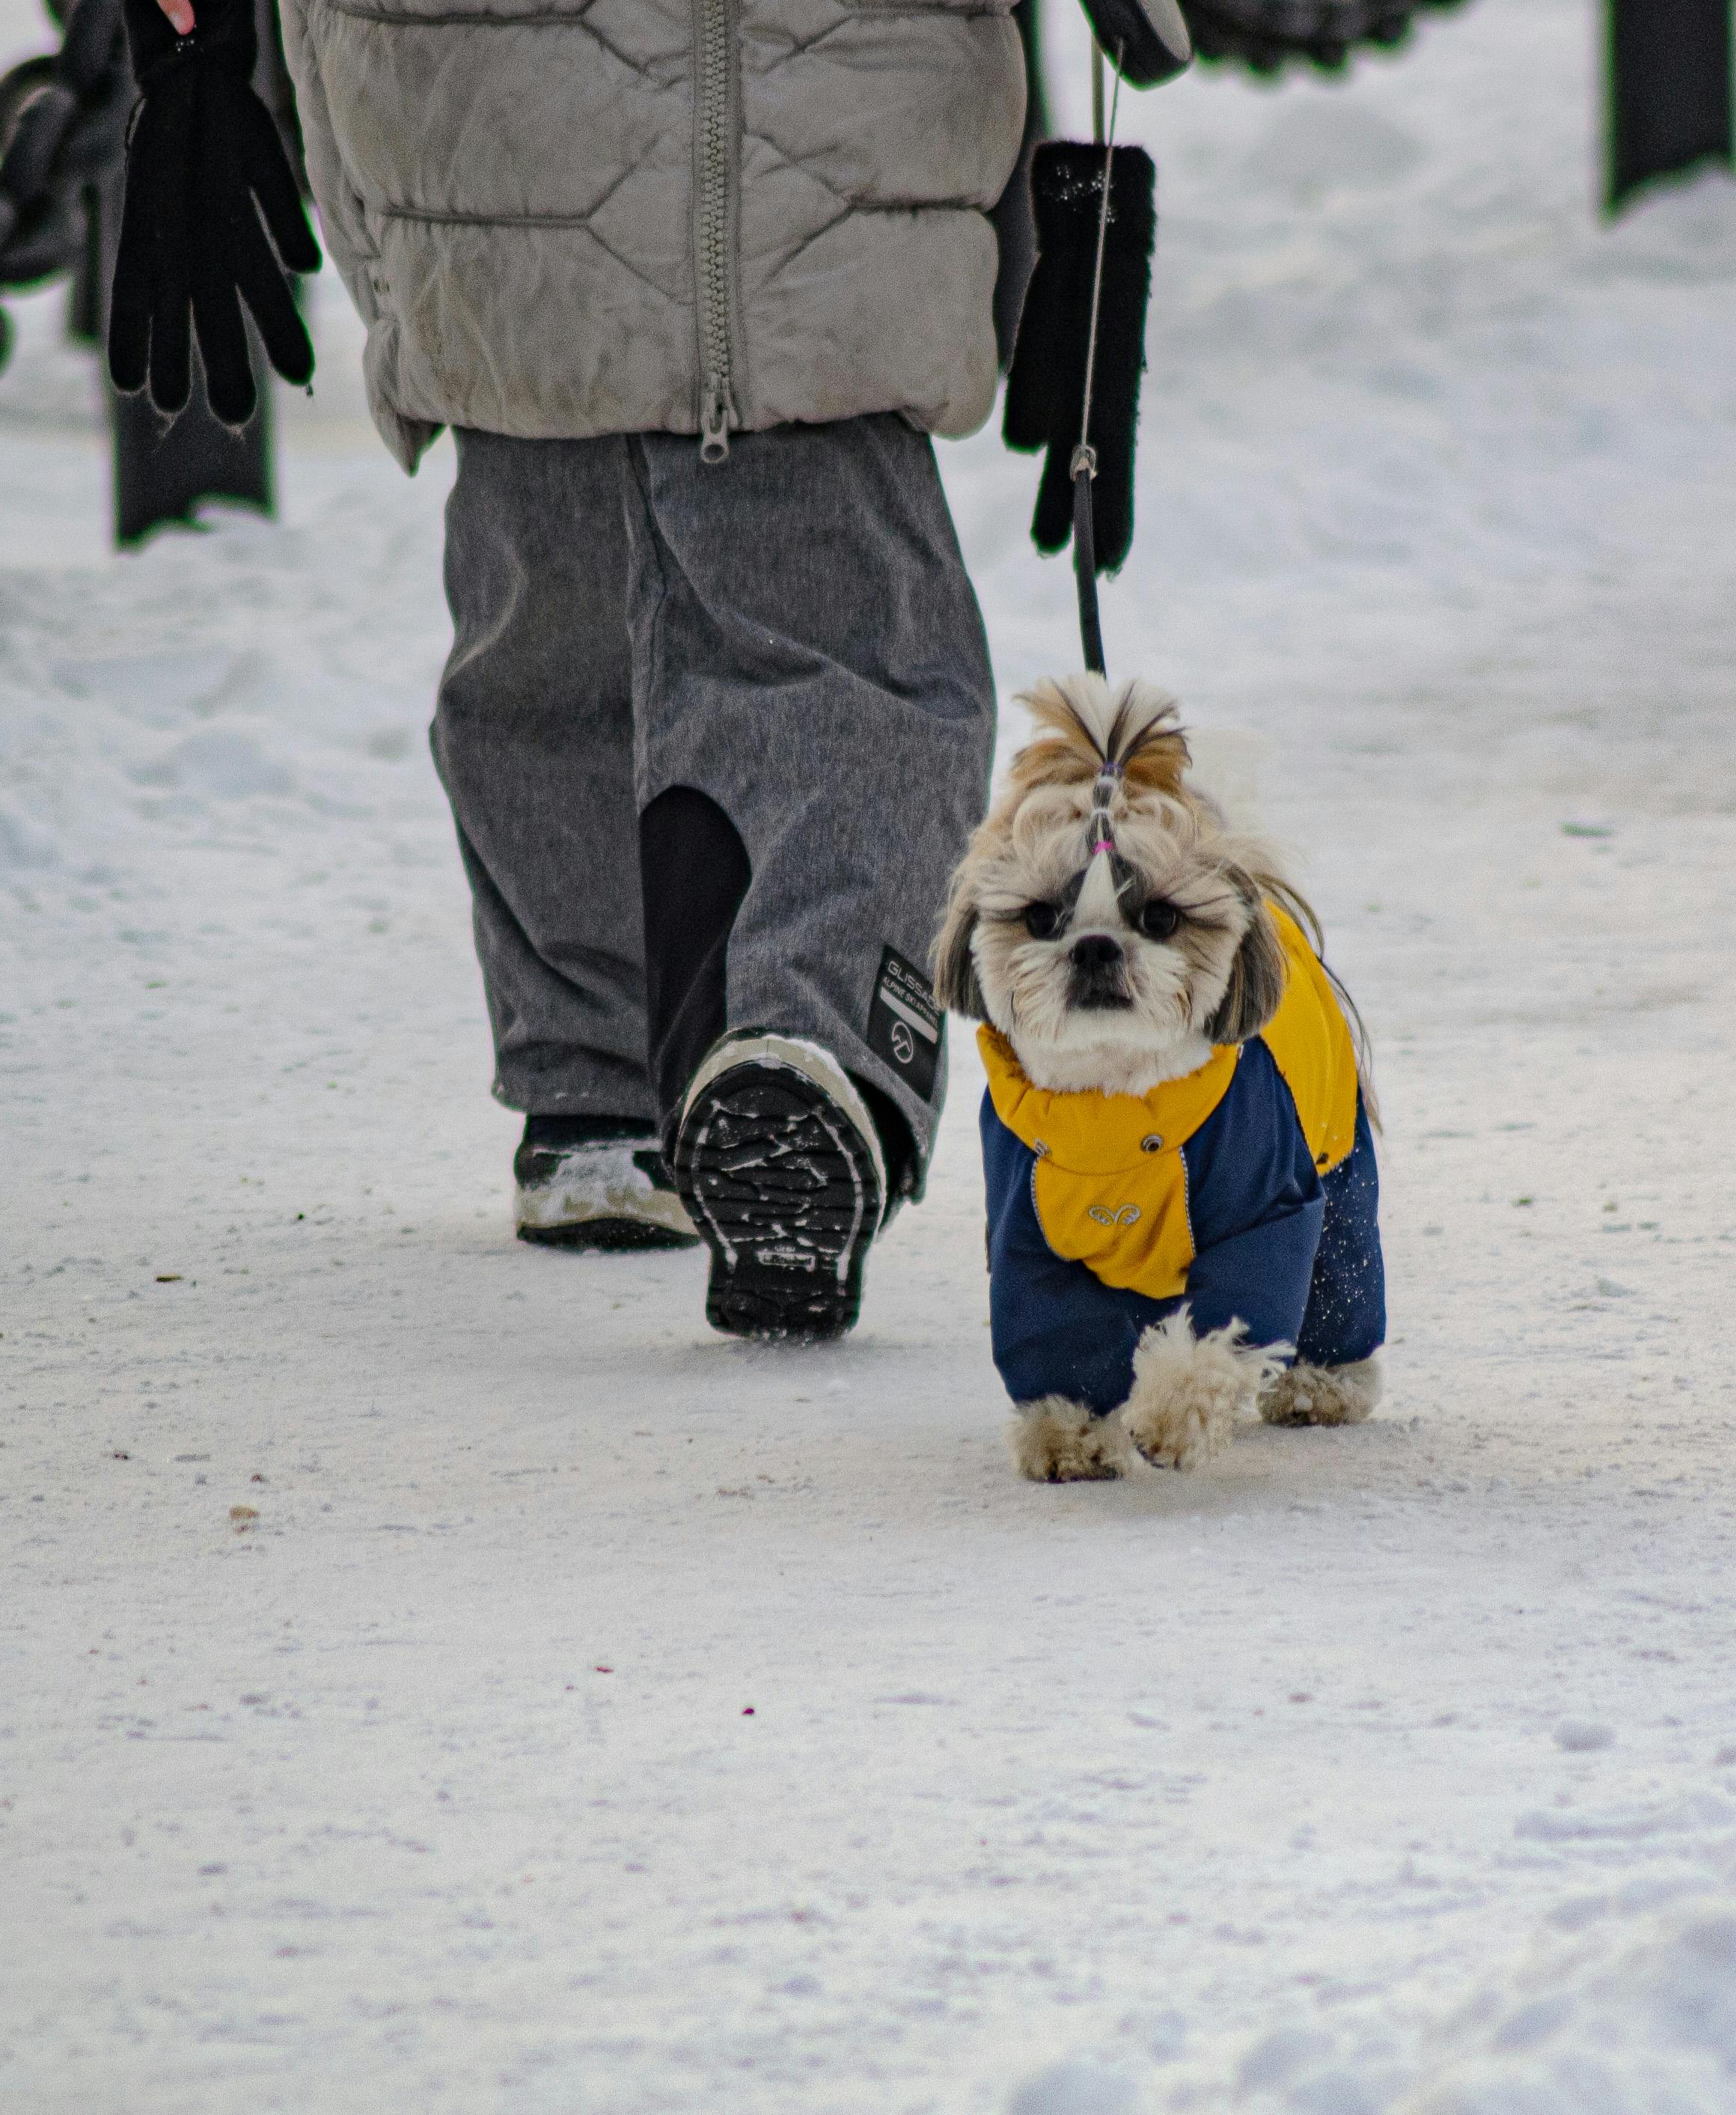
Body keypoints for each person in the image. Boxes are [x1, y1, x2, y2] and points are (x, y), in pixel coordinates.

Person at [141, 0, 1029, 1336]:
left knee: (549, 580)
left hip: (473, 100)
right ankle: (812, 1049)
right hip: (820, 92)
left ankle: (600, 1078)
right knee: (839, 632)